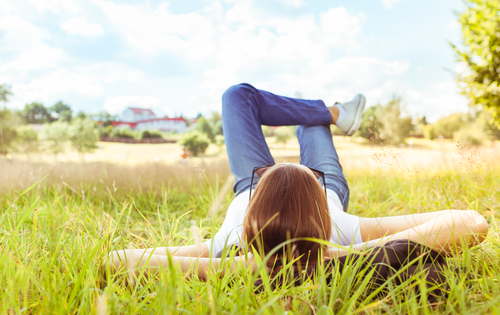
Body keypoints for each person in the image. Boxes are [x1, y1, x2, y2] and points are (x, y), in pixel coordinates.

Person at [105, 83, 489, 282]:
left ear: (251, 214)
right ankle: (330, 114)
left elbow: (117, 261)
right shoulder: (343, 230)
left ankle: (328, 114)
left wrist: (243, 267)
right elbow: (471, 223)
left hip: (253, 185)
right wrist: (342, 255)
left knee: (237, 97)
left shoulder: (230, 244)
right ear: (322, 213)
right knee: (311, 121)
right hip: (317, 198)